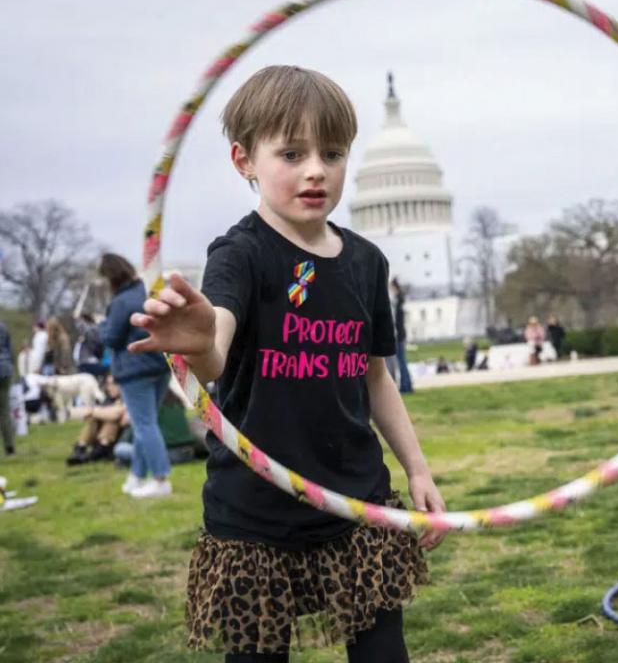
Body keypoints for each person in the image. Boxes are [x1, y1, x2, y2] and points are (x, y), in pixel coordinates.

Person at [128, 65, 445, 662]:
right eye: (292, 153)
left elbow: (376, 375)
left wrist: (418, 468)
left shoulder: (367, 263)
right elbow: (216, 351)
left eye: (332, 152)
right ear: (243, 160)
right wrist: (197, 341)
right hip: (254, 514)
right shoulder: (239, 255)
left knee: (384, 654)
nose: (316, 170)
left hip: (356, 502)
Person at [97, 253, 173, 499]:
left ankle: (161, 479)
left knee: (144, 425)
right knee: (146, 424)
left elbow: (111, 338)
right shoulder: (149, 291)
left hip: (133, 370)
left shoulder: (120, 302)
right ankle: (137, 477)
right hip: (160, 365)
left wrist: (101, 326)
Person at [65, 374, 127, 465]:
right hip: (99, 437)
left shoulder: (127, 399)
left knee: (110, 419)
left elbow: (116, 414)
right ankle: (80, 448)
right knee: (95, 418)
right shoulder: (108, 400)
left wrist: (92, 411)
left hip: (117, 439)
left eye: (114, 384)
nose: (110, 387)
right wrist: (96, 412)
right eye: (108, 384)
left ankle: (100, 450)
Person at [389, 278, 414, 393]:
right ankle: (407, 384)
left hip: (398, 336)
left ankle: (405, 385)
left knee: (401, 362)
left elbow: (395, 321)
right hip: (401, 334)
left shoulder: (396, 302)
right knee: (402, 361)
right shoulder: (401, 300)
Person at [74, 313, 108, 378]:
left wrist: (79, 321)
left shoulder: (93, 330)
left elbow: (89, 333)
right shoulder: (83, 335)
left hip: (91, 362)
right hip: (82, 363)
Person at [0, 321, 14, 455]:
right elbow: (11, 350)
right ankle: (9, 447)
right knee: (4, 410)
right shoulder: (3, 327)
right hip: (5, 369)